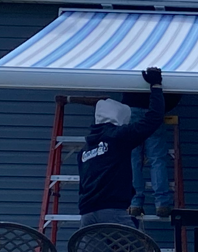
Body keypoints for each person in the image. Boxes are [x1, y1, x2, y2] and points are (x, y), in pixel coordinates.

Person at [77, 67, 166, 226]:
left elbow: (82, 187)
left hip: (87, 215)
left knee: (91, 251)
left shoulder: (85, 149)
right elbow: (154, 119)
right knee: (135, 250)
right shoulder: (119, 137)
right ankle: (161, 201)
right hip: (113, 212)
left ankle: (137, 201)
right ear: (120, 118)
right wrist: (156, 87)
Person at [121, 90, 181, 218]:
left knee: (133, 158)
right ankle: (162, 204)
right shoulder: (159, 73)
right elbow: (176, 93)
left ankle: (135, 202)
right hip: (153, 109)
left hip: (132, 108)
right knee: (157, 159)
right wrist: (162, 106)